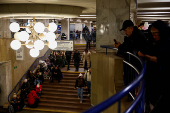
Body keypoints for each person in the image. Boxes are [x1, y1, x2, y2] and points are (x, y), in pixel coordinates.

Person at [138, 20, 170, 113]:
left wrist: (147, 56)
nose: (154, 36)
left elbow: (161, 59)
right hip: (154, 76)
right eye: (152, 34)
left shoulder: (166, 43)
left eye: (156, 33)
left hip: (162, 78)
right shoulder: (153, 42)